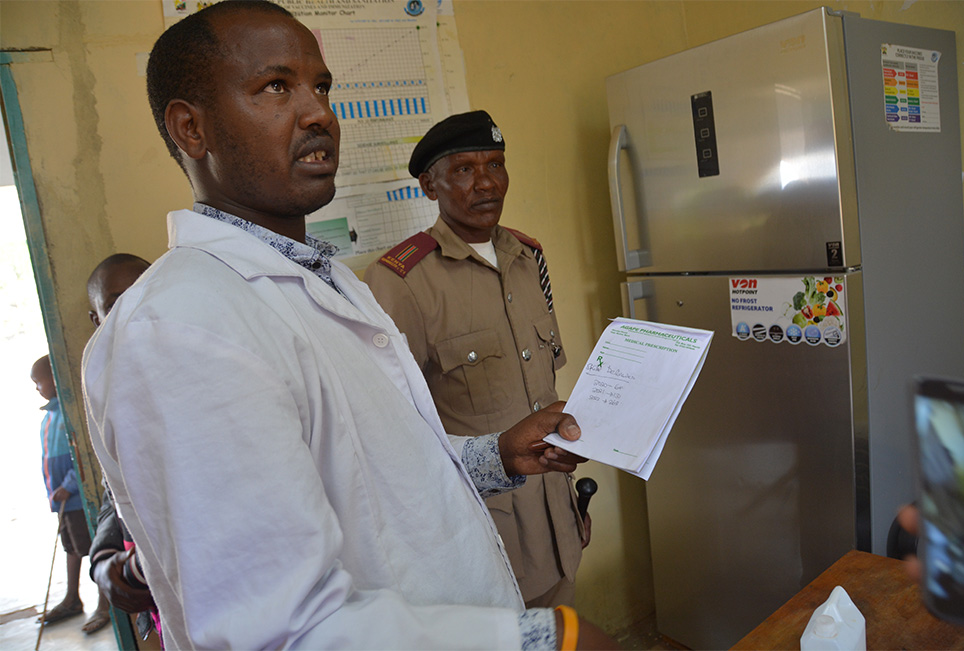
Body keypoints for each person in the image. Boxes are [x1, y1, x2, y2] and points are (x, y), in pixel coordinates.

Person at [81, 2, 616, 649]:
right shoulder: (181, 328)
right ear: (191, 128)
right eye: (275, 87)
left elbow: (374, 471)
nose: (319, 113)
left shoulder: (327, 281)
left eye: (322, 87)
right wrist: (542, 640)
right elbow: (281, 629)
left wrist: (495, 454)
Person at [365, 110, 587, 608]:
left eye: (495, 165)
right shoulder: (401, 280)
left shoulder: (528, 257)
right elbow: (389, 429)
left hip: (557, 521)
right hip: (486, 536)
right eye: (464, 169)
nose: (486, 183)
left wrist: (571, 512)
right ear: (430, 185)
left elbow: (540, 392)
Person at [85, 254, 160, 644]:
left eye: (144, 293)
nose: (133, 309)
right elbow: (113, 491)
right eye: (115, 304)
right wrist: (103, 559)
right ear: (96, 319)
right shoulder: (106, 389)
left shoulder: (204, 365)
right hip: (161, 600)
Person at [31, 354, 111, 634]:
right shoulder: (49, 417)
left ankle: (105, 604)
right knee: (71, 548)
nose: (36, 388)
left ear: (55, 379)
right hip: (63, 501)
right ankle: (72, 599)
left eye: (38, 382)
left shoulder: (70, 413)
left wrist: (69, 485)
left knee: (94, 550)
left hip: (77, 498)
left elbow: (82, 455)